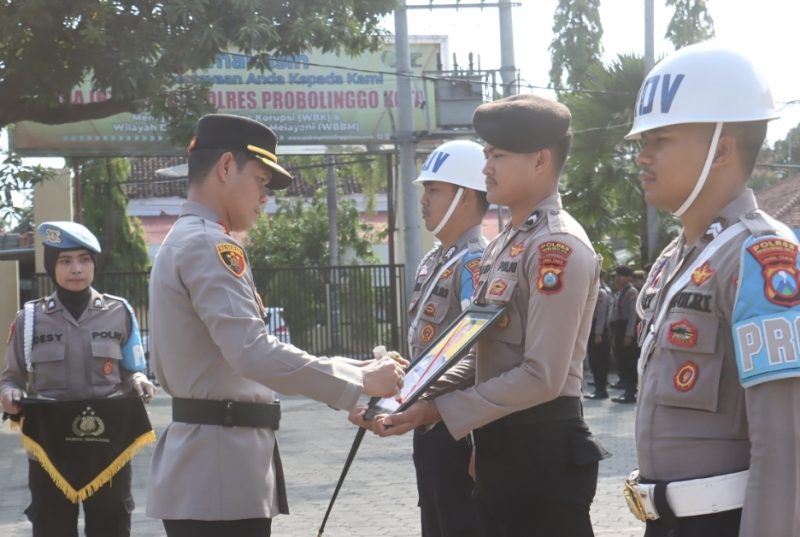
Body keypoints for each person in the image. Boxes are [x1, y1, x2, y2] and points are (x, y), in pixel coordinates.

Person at [144, 113, 405, 537]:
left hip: (211, 467)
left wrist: (355, 370)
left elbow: (231, 358)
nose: (265, 197)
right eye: (262, 181)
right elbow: (253, 352)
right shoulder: (211, 243)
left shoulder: (187, 237)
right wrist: (357, 386)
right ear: (227, 167)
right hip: (220, 474)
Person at [374, 94, 609, 537]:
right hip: (499, 444)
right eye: (486, 155)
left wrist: (436, 410)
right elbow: (476, 351)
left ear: (540, 161)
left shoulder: (557, 247)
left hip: (544, 453)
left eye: (498, 155)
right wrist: (403, 396)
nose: (486, 168)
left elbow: (542, 376)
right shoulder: (504, 245)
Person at [624, 42, 800, 536]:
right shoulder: (682, 256)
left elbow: (785, 445)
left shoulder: (762, 255)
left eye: (660, 139)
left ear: (721, 149)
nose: (642, 155)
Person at [351, 139, 488, 537]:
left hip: (457, 429)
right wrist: (387, 394)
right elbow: (430, 354)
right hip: (427, 428)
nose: (424, 200)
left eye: (434, 190)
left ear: (464, 198)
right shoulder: (435, 260)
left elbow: (478, 353)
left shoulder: (475, 262)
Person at [0, 221, 155, 537]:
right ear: (52, 267)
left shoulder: (119, 312)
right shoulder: (29, 318)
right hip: (49, 446)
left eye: (84, 260)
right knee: (51, 526)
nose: (76, 269)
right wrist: (10, 396)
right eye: (65, 261)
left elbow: (133, 369)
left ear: (94, 265)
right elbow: (10, 379)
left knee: (112, 525)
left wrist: (139, 379)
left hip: (107, 444)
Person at [608, 265, 639, 403]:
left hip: (627, 327)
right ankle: (627, 389)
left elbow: (633, 315)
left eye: (620, 276)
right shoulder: (620, 292)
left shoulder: (631, 292)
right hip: (619, 328)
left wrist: (629, 334)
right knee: (621, 359)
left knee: (629, 360)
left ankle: (630, 391)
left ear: (627, 277)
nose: (617, 278)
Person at [585, 270, 612, 399]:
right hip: (593, 328)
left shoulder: (600, 292)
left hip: (598, 330)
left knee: (599, 360)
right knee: (594, 360)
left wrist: (598, 333)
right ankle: (598, 387)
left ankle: (601, 390)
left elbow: (601, 316)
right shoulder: (594, 290)